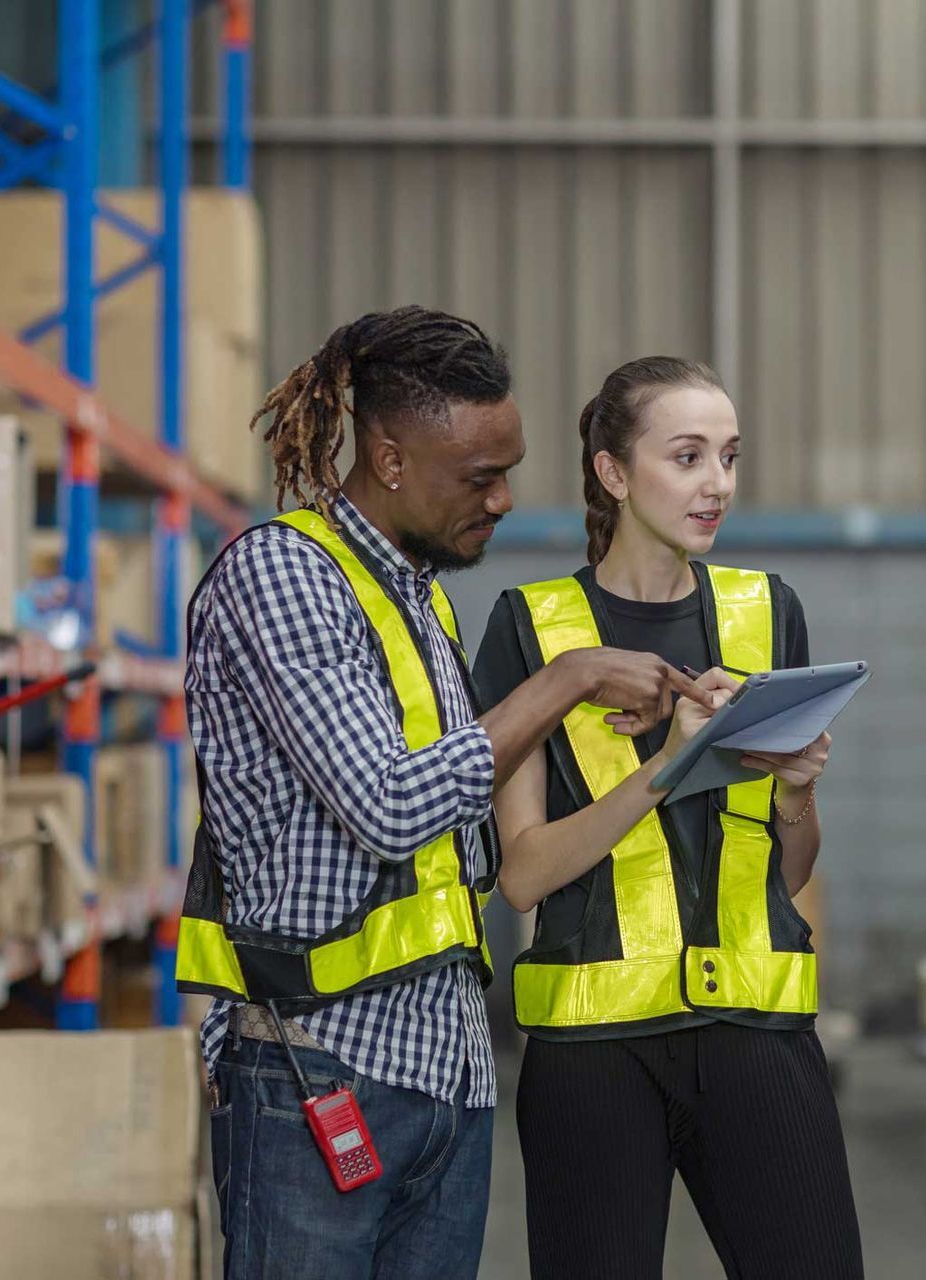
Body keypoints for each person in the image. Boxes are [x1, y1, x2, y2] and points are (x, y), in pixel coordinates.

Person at [177, 307, 709, 1280]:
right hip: (318, 1065)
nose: (504, 497)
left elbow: (461, 802)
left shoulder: (417, 598)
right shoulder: (284, 576)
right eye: (478, 476)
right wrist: (565, 679)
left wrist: (653, 739)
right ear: (387, 458)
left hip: (442, 1069)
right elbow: (385, 801)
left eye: (506, 469)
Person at [475, 356, 865, 1279]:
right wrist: (671, 765)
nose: (716, 484)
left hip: (757, 1039)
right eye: (687, 457)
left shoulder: (768, 613)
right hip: (593, 1058)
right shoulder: (532, 630)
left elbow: (787, 871)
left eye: (728, 457)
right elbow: (523, 874)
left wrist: (798, 793)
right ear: (614, 472)